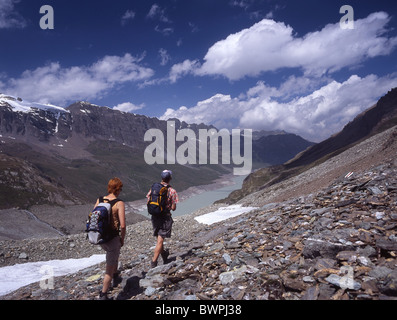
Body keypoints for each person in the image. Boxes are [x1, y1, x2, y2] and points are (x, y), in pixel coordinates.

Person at [95, 177, 126, 300]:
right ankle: (103, 294)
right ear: (118, 189)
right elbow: (122, 225)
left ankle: (116, 275)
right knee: (109, 268)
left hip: (101, 237)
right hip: (112, 238)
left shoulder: (100, 200)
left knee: (114, 256)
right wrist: (122, 239)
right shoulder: (119, 203)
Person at [146, 170, 179, 268]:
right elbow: (173, 208)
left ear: (161, 178)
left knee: (159, 238)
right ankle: (154, 262)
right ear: (170, 178)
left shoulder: (154, 188)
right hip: (165, 217)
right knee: (160, 240)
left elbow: (148, 200)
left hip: (155, 216)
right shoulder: (172, 191)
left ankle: (164, 254)